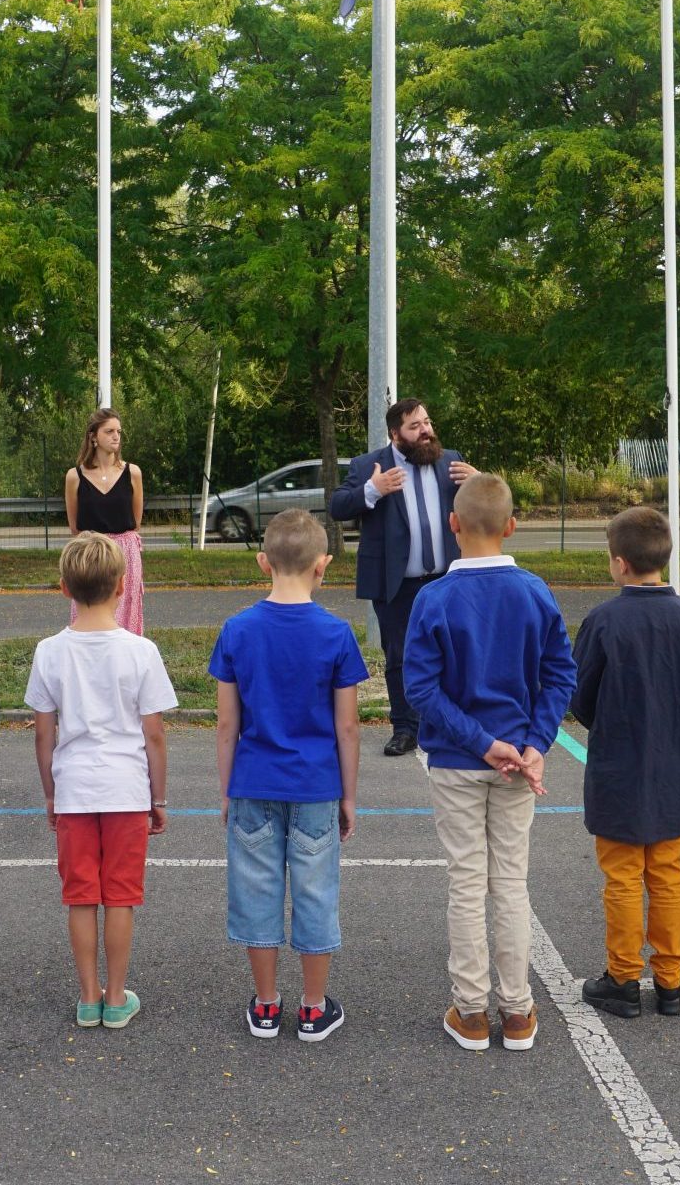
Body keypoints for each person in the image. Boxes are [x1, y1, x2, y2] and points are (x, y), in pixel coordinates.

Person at [403, 474, 574, 1051]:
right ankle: (518, 1010)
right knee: (511, 883)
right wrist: (533, 744)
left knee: (467, 882)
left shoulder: (432, 598)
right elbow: (559, 675)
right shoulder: (534, 590)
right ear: (512, 527)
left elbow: (420, 691)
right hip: (516, 761)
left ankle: (472, 1011)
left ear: (453, 525)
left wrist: (480, 742)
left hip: (459, 759)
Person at [208, 509, 366, 1041]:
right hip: (317, 785)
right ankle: (315, 1008)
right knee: (316, 891)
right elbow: (348, 728)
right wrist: (349, 794)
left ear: (262, 562)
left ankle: (268, 1005)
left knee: (257, 890)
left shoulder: (237, 630)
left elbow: (227, 724)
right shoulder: (337, 634)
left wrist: (227, 788)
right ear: (323, 566)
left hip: (254, 780)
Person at [570, 507, 680, 1021]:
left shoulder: (605, 620)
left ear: (619, 564)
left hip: (619, 766)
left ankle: (624, 977)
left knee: (624, 875)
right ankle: (671, 981)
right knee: (669, 872)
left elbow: (581, 695)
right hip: (676, 764)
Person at [28, 532, 176, 1030]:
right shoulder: (140, 651)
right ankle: (116, 995)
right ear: (121, 584)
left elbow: (44, 734)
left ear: (64, 587)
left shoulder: (49, 651)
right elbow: (153, 735)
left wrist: (50, 792)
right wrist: (158, 796)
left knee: (80, 895)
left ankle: (87, 995)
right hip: (126, 789)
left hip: (74, 790)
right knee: (121, 896)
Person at [330, 398, 472, 757]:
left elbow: (486, 506)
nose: (426, 430)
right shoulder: (369, 466)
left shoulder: (451, 460)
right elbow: (337, 506)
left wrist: (479, 482)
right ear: (395, 434)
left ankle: (448, 724)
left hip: (446, 580)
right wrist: (372, 490)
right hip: (397, 582)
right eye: (415, 426)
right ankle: (405, 728)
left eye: (427, 421)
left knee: (451, 653)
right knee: (400, 656)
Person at [65, 407, 148, 635]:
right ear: (93, 436)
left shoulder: (133, 473)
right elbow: (75, 526)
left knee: (125, 615)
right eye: (109, 431)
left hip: (125, 553)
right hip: (90, 552)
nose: (116, 437)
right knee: (89, 609)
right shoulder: (75, 476)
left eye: (119, 432)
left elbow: (136, 521)